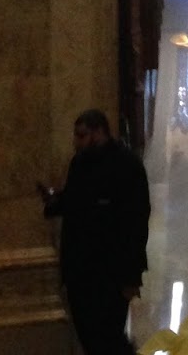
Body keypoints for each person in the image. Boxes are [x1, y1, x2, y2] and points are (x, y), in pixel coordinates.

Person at [39, 108, 150, 355]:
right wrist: (54, 202)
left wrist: (131, 276)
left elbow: (136, 223)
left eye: (82, 135)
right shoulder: (79, 163)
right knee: (89, 336)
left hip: (111, 273)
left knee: (108, 337)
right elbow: (76, 201)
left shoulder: (127, 166)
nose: (76, 142)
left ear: (99, 132)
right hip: (80, 272)